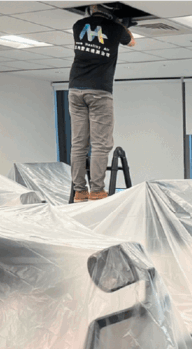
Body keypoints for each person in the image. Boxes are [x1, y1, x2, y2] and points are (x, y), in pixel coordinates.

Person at [68, 4, 135, 202]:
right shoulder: (115, 28)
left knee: (78, 144)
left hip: (75, 89)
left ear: (92, 9)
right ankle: (96, 190)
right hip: (99, 91)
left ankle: (79, 191)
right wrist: (121, 25)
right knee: (100, 144)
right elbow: (132, 42)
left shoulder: (78, 25)